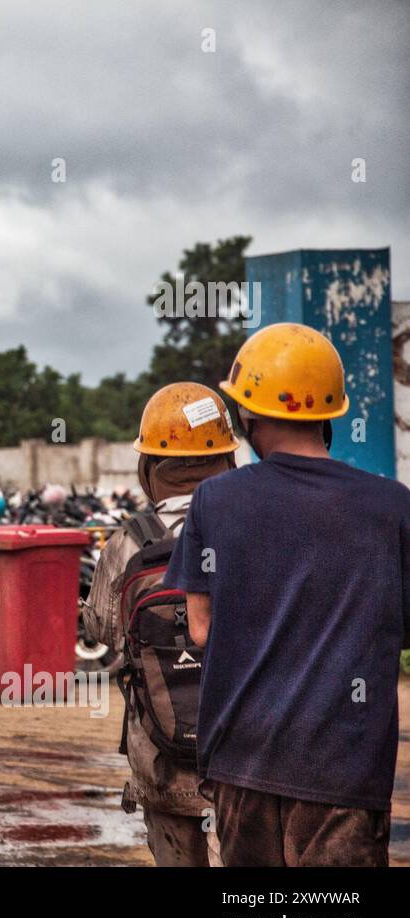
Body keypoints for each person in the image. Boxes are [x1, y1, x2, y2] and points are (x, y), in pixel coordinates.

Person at [166, 323, 410, 866]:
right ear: (331, 413)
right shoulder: (392, 506)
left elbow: (201, 630)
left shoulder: (214, 500)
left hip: (240, 756)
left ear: (246, 414)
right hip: (343, 766)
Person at [81, 382, 237, 865]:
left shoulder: (128, 543)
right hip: (241, 762)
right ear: (228, 461)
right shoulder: (250, 526)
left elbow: (102, 632)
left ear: (148, 469)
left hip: (161, 762)